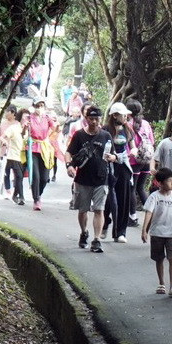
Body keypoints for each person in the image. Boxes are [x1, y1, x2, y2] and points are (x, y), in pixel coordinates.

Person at [66, 105, 115, 253]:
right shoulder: (79, 135)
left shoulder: (106, 136)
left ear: (100, 119)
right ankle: (84, 232)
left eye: (97, 119)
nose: (94, 122)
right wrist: (69, 166)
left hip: (101, 178)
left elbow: (113, 154)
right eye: (91, 118)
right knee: (83, 210)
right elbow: (69, 152)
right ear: (86, 119)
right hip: (82, 179)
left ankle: (97, 239)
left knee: (99, 209)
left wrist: (112, 157)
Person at [141, 167, 172, 296]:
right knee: (159, 259)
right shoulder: (154, 197)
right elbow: (149, 213)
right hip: (157, 233)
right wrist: (144, 230)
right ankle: (161, 283)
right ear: (160, 183)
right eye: (169, 181)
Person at [103, 101, 136, 242]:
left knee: (123, 199)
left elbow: (132, 146)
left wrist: (133, 151)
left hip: (123, 167)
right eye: (123, 115)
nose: (126, 117)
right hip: (108, 169)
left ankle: (120, 232)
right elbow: (102, 151)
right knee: (108, 200)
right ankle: (105, 223)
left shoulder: (128, 130)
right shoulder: (105, 130)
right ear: (115, 115)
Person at [27, 99, 60, 210]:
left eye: (41, 105)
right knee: (35, 176)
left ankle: (38, 194)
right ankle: (36, 199)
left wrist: (57, 126)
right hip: (33, 148)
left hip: (45, 149)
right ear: (33, 106)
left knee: (44, 177)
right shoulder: (29, 118)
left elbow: (55, 128)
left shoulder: (47, 118)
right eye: (37, 105)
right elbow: (24, 130)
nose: (39, 108)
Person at [128, 100, 155, 221]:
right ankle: (153, 214)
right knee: (141, 188)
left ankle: (132, 216)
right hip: (147, 160)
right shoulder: (146, 123)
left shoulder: (128, 124)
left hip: (134, 161)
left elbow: (128, 144)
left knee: (132, 189)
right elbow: (152, 142)